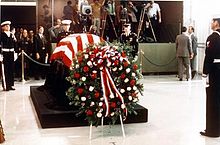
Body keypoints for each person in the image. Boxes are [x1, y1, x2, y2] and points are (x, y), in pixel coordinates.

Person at [200, 16, 220, 137]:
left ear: (217, 24)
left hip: (214, 71)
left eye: (213, 21)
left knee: (212, 100)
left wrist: (204, 72)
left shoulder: (212, 38)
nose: (211, 23)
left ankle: (212, 130)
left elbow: (209, 56)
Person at [0, 21, 16, 91]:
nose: (8, 27)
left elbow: (14, 44)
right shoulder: (1, 35)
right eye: (6, 26)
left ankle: (11, 85)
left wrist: (15, 52)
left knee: (11, 69)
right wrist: (0, 54)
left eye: (9, 26)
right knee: (5, 70)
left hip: (11, 53)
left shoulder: (12, 34)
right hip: (5, 53)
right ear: (3, 27)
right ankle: (6, 85)